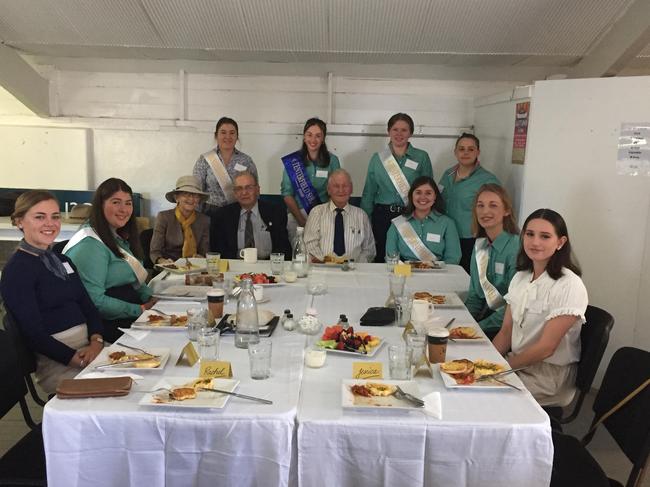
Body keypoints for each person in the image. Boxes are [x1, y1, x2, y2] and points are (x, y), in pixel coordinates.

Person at [0, 191, 104, 394]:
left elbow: (87, 306)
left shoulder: (62, 260)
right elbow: (33, 334)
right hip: (58, 361)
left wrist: (96, 341)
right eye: (40, 217)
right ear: (19, 222)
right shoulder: (17, 271)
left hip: (89, 349)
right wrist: (75, 359)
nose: (50, 223)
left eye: (55, 216)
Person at [492, 209, 588, 407]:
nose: (535, 242)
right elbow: (506, 332)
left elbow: (546, 348)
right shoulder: (520, 277)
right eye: (529, 234)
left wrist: (501, 368)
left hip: (548, 376)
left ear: (560, 242)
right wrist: (486, 363)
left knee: (480, 395)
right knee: (464, 381)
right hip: (517, 364)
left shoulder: (569, 284)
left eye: (545, 236)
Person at [63, 178, 156, 342]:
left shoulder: (116, 235)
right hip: (107, 325)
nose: (124, 209)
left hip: (129, 314)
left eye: (128, 203)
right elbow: (95, 301)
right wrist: (140, 309)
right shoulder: (90, 244)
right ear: (100, 205)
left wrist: (152, 298)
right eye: (116, 202)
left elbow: (133, 279)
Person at [360, 113, 434, 262]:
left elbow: (429, 190)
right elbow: (369, 192)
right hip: (382, 216)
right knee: (382, 257)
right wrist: (364, 220)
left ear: (411, 133)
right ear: (389, 131)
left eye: (404, 130)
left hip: (411, 214)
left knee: (410, 257)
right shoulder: (378, 158)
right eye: (395, 129)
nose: (399, 134)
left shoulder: (422, 157)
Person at [438, 133, 500, 273]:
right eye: (461, 149)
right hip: (445, 237)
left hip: (470, 239)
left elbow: (497, 213)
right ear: (455, 152)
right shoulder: (448, 174)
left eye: (471, 149)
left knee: (466, 278)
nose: (465, 152)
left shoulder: (487, 179)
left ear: (478, 152)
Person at [464, 184, 520, 339]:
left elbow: (514, 305)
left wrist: (478, 328)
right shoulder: (480, 246)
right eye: (480, 206)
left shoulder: (517, 247)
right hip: (487, 321)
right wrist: (463, 324)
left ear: (506, 211)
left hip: (510, 328)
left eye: (493, 205)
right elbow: (475, 297)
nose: (485, 211)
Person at [281, 118, 341, 242]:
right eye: (309, 135)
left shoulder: (333, 160)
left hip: (324, 215)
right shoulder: (293, 161)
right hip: (297, 215)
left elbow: (336, 191)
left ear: (323, 139)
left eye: (318, 136)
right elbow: (287, 193)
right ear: (304, 136)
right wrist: (301, 220)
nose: (313, 140)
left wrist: (325, 217)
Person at [209, 171, 291, 260]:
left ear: (258, 190)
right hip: (235, 266)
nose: (244, 193)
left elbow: (284, 248)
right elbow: (218, 250)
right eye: (239, 189)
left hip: (267, 267)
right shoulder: (222, 215)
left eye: (249, 187)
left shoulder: (275, 212)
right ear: (235, 193)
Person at [304, 169, 375, 263]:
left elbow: (369, 250)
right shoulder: (317, 212)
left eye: (345, 186)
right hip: (322, 268)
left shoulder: (361, 215)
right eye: (336, 186)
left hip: (354, 270)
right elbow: (310, 244)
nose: (341, 190)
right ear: (328, 190)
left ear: (351, 189)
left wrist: (355, 265)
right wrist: (327, 262)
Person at [385, 176, 461, 264]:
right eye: (418, 193)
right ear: (411, 196)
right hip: (406, 274)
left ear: (435, 196)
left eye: (428, 193)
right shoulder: (397, 224)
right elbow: (391, 258)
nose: (423, 197)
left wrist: (439, 276)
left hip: (438, 275)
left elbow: (453, 258)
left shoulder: (447, 224)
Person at [193, 117, 258, 217]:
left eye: (232, 133)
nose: (228, 136)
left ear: (237, 136)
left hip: (238, 213)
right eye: (223, 132)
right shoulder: (204, 160)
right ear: (216, 135)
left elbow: (254, 191)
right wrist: (195, 219)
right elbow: (196, 191)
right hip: (210, 214)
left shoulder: (246, 161)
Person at [150, 175, 210, 265]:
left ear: (199, 200)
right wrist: (162, 261)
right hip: (169, 266)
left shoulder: (204, 220)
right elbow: (155, 252)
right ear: (176, 197)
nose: (191, 199)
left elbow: (205, 252)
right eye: (186, 194)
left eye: (195, 195)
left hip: (194, 267)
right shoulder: (164, 217)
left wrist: (201, 257)